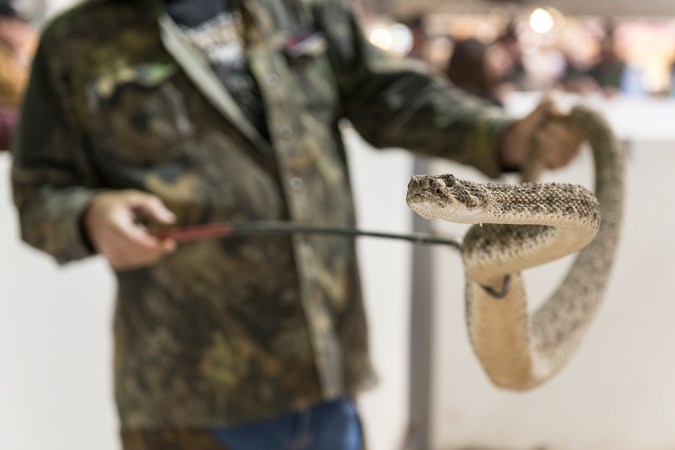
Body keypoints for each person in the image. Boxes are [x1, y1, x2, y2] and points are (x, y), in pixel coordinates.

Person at [10, 0, 584, 449]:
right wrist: (89, 217)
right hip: (189, 397)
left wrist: (501, 137)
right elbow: (39, 191)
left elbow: (395, 96)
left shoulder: (301, 10)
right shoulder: (77, 41)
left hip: (326, 369)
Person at [0, 0, 36, 150]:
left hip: (32, 115)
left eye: (20, 23)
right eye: (9, 23)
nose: (17, 29)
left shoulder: (33, 43)